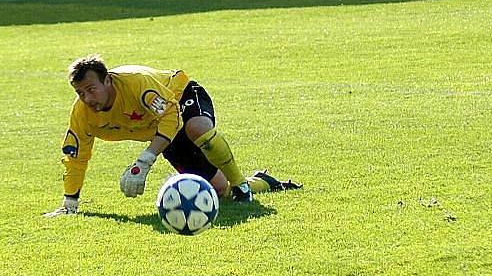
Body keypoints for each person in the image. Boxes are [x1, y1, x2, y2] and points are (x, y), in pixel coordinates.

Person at [44, 54, 300, 216]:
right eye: (80, 93)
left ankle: (244, 188)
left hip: (181, 95)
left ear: (108, 81)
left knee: (197, 128)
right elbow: (75, 156)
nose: (87, 98)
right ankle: (262, 181)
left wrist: (145, 160)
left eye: (91, 89)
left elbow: (170, 115)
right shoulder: (82, 114)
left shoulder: (136, 85)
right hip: (164, 130)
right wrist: (70, 204)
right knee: (217, 190)